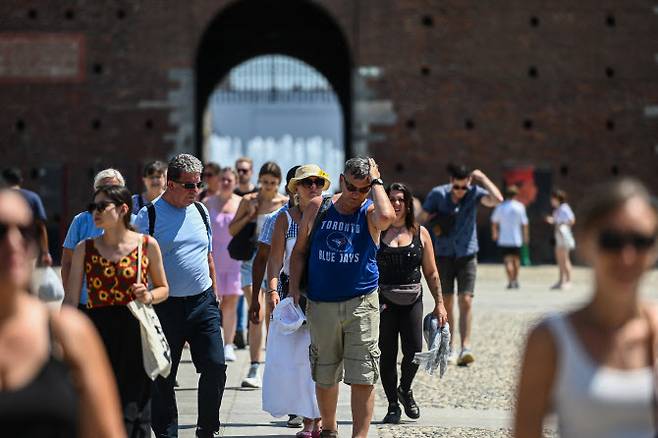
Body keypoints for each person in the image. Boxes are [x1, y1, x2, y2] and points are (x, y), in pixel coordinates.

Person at [514, 178, 658, 438]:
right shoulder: (550, 339)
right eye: (612, 240)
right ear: (586, 243)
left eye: (640, 241)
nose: (627, 256)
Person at [0, 187, 125, 437]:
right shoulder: (82, 237)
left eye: (26, 232)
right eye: (0, 231)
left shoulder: (68, 333)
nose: (14, 243)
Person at [289, 157, 396, 438]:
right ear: (341, 180)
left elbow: (387, 218)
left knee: (363, 374)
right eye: (350, 186)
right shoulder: (318, 206)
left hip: (361, 303)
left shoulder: (370, 210)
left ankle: (358, 436)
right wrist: (293, 292)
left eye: (363, 189)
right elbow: (299, 251)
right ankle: (328, 428)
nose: (355, 194)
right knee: (325, 371)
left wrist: (377, 182)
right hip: (322, 303)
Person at [134, 153, 226, 438]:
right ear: (170, 184)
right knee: (164, 374)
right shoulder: (146, 217)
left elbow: (207, 254)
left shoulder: (200, 211)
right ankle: (166, 432)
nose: (195, 190)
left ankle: (207, 428)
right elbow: (135, 262)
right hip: (164, 306)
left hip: (202, 302)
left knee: (216, 366)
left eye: (198, 184)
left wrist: (215, 291)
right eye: (188, 185)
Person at [65, 185, 169, 436]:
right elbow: (70, 299)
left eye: (102, 207)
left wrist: (149, 294)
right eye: (93, 207)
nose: (95, 212)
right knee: (98, 400)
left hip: (135, 329)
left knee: (135, 408)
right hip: (96, 329)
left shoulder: (147, 245)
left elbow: (164, 288)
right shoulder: (84, 248)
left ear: (123, 209)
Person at [264, 164, 330, 437]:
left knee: (323, 360)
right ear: (296, 189)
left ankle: (323, 419)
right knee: (299, 360)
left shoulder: (331, 216)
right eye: (307, 183)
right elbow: (275, 261)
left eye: (317, 182)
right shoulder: (284, 219)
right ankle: (308, 420)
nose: (313, 187)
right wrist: (271, 292)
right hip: (294, 295)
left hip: (326, 295)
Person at [417, 164, 502, 366]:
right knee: (446, 303)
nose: (460, 192)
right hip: (444, 255)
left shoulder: (474, 193)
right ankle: (450, 347)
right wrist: (434, 218)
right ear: (451, 182)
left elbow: (497, 200)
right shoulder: (438, 194)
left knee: (466, 300)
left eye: (464, 187)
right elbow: (420, 218)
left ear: (469, 184)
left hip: (467, 253)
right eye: (457, 187)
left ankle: (466, 347)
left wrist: (482, 178)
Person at [377, 182, 448, 424]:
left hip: (412, 299)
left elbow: (431, 272)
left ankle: (404, 389)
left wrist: (440, 304)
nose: (396, 204)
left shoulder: (421, 233)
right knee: (387, 354)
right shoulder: (376, 231)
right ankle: (392, 405)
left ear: (408, 204)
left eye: (400, 199)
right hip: (383, 300)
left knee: (415, 351)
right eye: (392, 199)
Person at [229, 161, 288, 388]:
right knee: (258, 312)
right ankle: (254, 365)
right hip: (251, 261)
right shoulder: (249, 200)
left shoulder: (284, 202)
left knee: (273, 314)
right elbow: (232, 230)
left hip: (275, 262)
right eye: (265, 182)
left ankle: (270, 362)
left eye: (273, 183)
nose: (268, 187)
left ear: (279, 183)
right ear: (259, 180)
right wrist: (250, 215)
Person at [62, 168, 127, 309]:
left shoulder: (134, 222)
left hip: (122, 305)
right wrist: (70, 299)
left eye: (113, 188)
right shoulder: (81, 221)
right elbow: (67, 262)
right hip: (86, 302)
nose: (107, 193)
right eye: (102, 189)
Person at [203, 167, 242, 362]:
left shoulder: (241, 202)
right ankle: (214, 343)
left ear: (235, 182)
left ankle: (228, 344)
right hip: (214, 259)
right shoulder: (208, 202)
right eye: (223, 179)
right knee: (213, 303)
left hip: (234, 260)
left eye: (229, 180)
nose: (226, 183)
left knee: (231, 303)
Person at [2, 167, 52, 266]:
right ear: (21, 180)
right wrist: (46, 253)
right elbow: (41, 228)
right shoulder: (33, 198)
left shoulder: (2, 198)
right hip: (28, 251)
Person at [233, 157, 258, 349]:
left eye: (245, 170)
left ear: (251, 172)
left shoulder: (258, 195)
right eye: (239, 170)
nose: (242, 173)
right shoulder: (232, 193)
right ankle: (238, 330)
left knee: (249, 293)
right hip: (235, 248)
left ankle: (247, 330)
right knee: (235, 293)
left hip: (253, 250)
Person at [491, 185, 529, 289]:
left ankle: (510, 281)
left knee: (507, 261)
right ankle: (515, 280)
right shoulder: (520, 207)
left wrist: (495, 233)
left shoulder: (501, 207)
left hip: (504, 238)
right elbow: (524, 224)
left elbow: (494, 221)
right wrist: (525, 236)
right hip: (516, 238)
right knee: (516, 260)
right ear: (516, 195)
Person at [545, 189, 576, 290]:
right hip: (558, 235)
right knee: (560, 259)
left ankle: (568, 281)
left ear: (557, 198)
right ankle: (561, 280)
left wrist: (562, 224)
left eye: (552, 199)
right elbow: (558, 220)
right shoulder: (557, 209)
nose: (551, 201)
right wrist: (553, 221)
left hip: (564, 236)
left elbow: (571, 220)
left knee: (565, 258)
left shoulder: (564, 208)